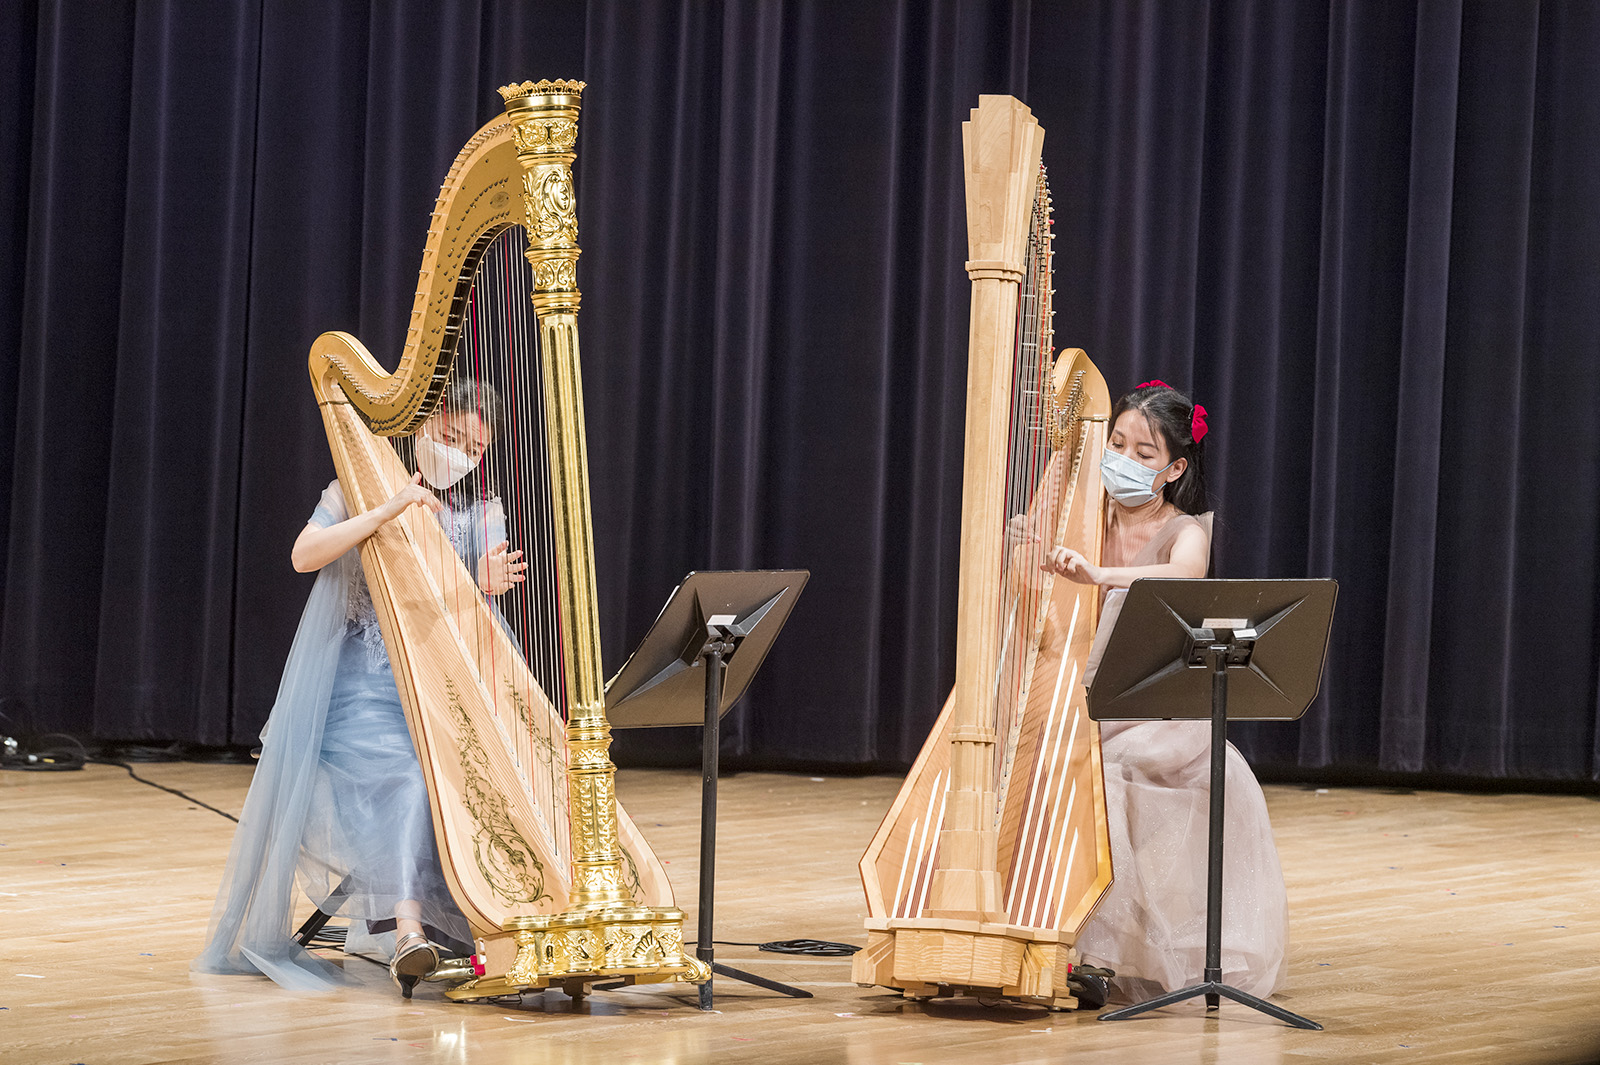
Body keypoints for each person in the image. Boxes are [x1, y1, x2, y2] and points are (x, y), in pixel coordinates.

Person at [193, 379, 526, 995]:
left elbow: (462, 614)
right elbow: (304, 555)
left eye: (474, 449)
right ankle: (407, 935)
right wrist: (385, 511)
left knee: (492, 773)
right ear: (421, 425)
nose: (460, 454)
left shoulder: (482, 510)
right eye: (451, 436)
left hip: (437, 689)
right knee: (410, 776)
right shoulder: (356, 487)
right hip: (359, 691)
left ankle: (490, 916)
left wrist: (480, 584)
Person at [1043, 379, 1290, 1004]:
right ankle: (1044, 935)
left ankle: (1098, 958)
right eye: (1116, 444)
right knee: (1052, 764)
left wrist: (1101, 574)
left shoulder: (1185, 531)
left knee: (1109, 776)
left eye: (1143, 452)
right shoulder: (1079, 515)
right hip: (1084, 705)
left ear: (1174, 468)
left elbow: (1183, 574)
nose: (1123, 459)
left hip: (1159, 716)